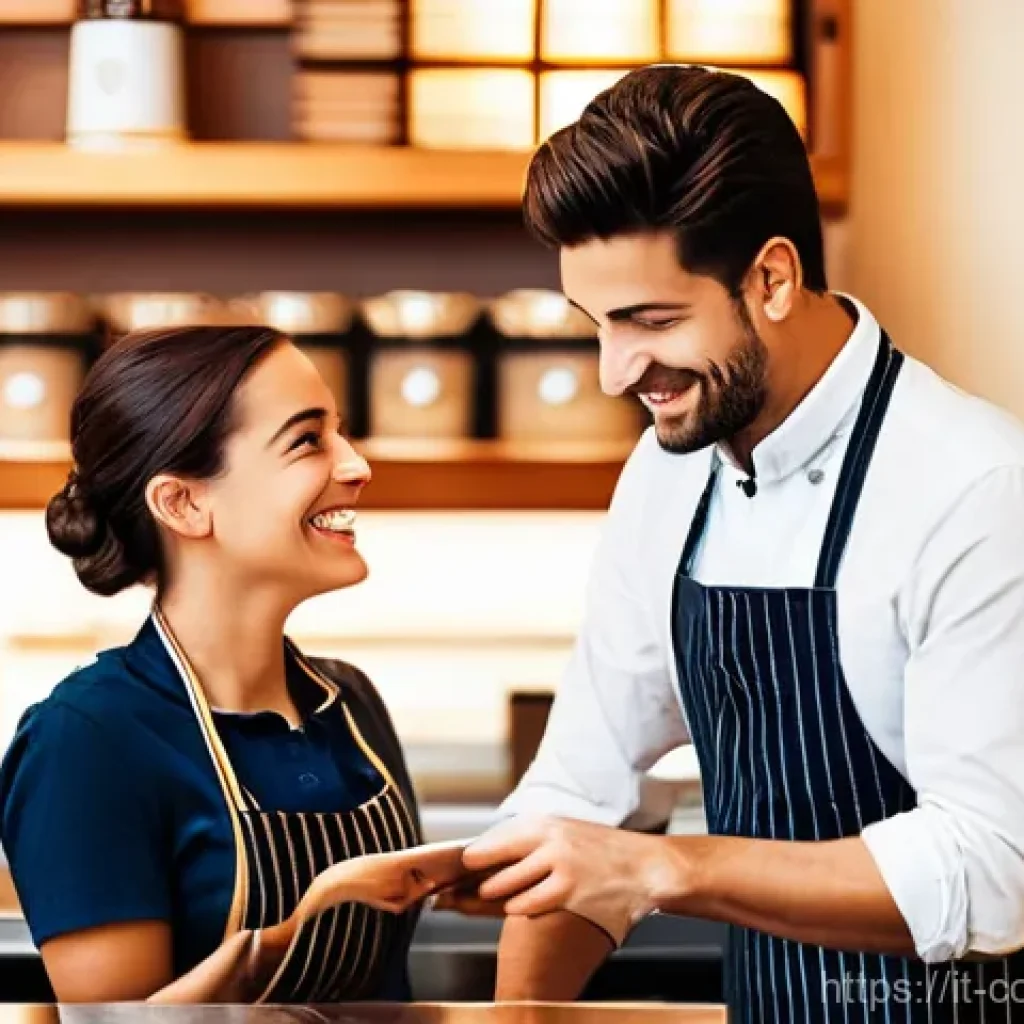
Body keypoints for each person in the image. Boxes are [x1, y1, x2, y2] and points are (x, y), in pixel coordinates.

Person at [447, 64, 1024, 1022]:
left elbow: (992, 868)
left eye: (652, 321)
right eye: (596, 325)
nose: (613, 372)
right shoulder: (668, 474)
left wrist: (662, 868)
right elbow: (587, 797)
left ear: (773, 277)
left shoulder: (976, 488)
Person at [0, 326, 423, 1003]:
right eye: (307, 440)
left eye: (340, 433)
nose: (355, 465)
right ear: (184, 503)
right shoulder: (85, 739)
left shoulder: (350, 703)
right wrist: (300, 926)